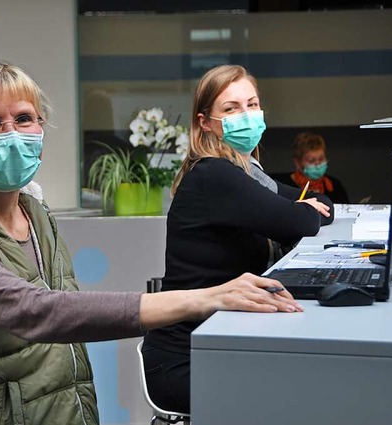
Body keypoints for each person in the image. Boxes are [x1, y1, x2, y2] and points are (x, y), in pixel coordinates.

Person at [0, 61, 303, 425]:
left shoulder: (33, 212)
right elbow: (32, 310)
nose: (11, 133)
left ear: (41, 129)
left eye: (24, 119)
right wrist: (204, 298)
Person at [141, 64, 335, 414]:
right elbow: (298, 219)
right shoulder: (214, 175)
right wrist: (305, 208)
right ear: (205, 123)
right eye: (231, 109)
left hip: (221, 342)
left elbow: (319, 202)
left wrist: (307, 206)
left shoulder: (247, 172)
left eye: (252, 104)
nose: (245, 115)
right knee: (302, 398)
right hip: (186, 359)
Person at [275, 131, 350, 204]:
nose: (317, 164)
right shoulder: (284, 186)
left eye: (321, 159)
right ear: (297, 162)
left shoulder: (335, 186)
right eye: (311, 161)